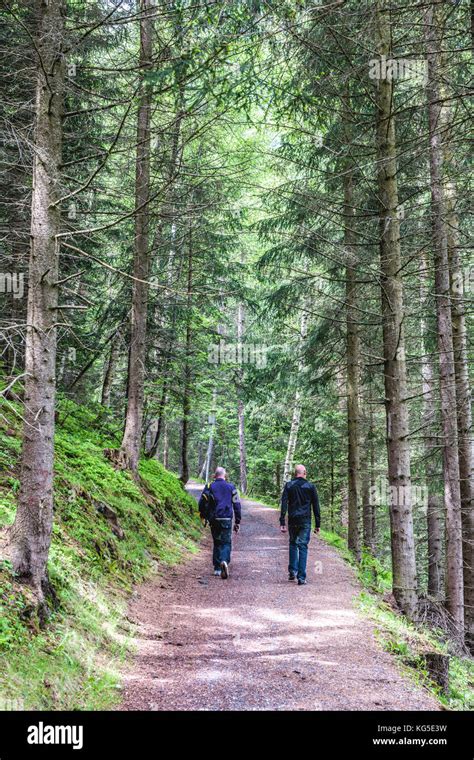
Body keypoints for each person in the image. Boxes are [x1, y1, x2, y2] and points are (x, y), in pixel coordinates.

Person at [279, 464, 320, 585]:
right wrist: (318, 524)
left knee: (292, 543)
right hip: (305, 520)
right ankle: (301, 577)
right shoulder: (310, 486)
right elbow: (316, 506)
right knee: (303, 546)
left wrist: (282, 521)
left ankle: (292, 571)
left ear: (295, 473)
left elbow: (284, 504)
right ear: (304, 472)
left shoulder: (289, 485)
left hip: (293, 519)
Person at [198, 467, 241, 579]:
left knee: (217, 542)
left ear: (214, 475)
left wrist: (203, 516)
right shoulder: (231, 487)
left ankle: (217, 568)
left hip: (214, 519)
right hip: (226, 518)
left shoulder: (209, 486)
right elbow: (237, 504)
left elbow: (202, 502)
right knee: (226, 542)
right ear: (224, 475)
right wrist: (237, 521)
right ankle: (224, 561)